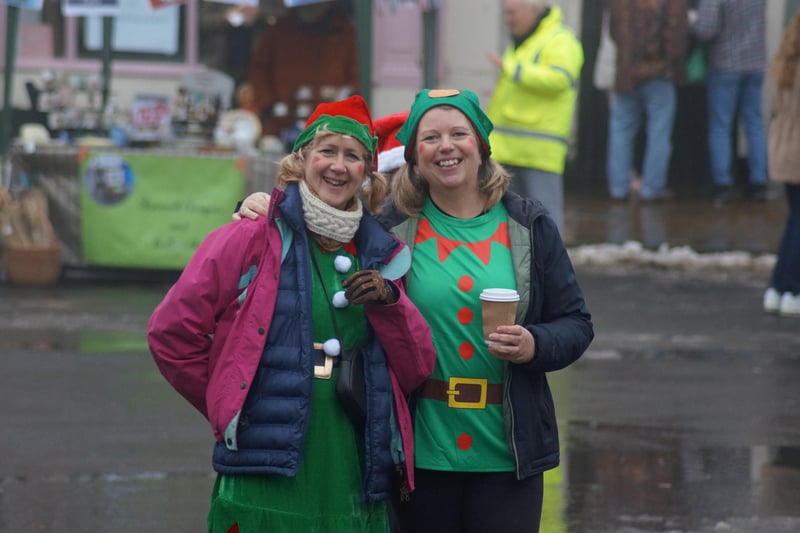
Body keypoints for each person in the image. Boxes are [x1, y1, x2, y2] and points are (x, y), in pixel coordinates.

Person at [237, 88, 595, 533]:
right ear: (414, 156)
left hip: (509, 452)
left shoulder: (529, 225)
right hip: (416, 453)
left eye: (458, 133)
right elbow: (319, 224)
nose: (446, 146)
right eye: (430, 138)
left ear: (481, 147)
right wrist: (259, 207)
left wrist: (535, 343)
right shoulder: (388, 229)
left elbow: (576, 324)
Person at [148, 94, 437, 532]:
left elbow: (416, 367)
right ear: (302, 161)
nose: (338, 166)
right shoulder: (251, 238)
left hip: (351, 466)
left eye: (353, 156)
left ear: (367, 173)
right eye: (327, 151)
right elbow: (171, 333)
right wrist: (234, 401)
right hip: (263, 472)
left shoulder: (382, 256)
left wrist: (390, 304)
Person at [485, 1, 584, 235]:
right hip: (508, 149)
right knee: (511, 223)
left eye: (512, 13)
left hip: (539, 151)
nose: (507, 19)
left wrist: (514, 70)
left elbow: (559, 80)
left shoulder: (560, 40)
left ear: (533, 11)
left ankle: (549, 271)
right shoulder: (525, 42)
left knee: (544, 223)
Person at [605, 0, 689, 202]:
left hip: (626, 70)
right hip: (658, 71)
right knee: (659, 131)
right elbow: (677, 33)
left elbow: (614, 30)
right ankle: (651, 189)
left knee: (621, 129)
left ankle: (618, 188)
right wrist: (672, 63)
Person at [691, 0, 769, 204]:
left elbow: (705, 31)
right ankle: (758, 182)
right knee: (754, 123)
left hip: (726, 65)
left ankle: (722, 184)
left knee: (720, 125)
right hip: (755, 64)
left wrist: (691, 22)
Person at [248, 0, 359, 141]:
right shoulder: (279, 30)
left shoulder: (345, 31)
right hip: (283, 122)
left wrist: (345, 98)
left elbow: (357, 74)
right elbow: (259, 69)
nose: (311, 5)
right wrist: (268, 105)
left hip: (331, 125)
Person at [762, 11, 800, 318]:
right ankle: (793, 290)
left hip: (785, 151)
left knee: (793, 222)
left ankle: (777, 287)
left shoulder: (783, 64)